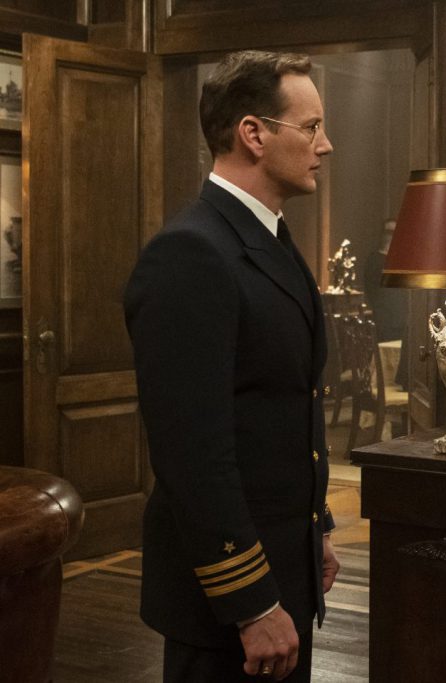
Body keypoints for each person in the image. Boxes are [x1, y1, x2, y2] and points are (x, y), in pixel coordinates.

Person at [124, 50, 338, 682]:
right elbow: (193, 455)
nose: (325, 145)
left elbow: (282, 410)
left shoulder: (268, 238)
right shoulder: (191, 253)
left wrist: (317, 529)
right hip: (228, 600)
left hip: (284, 568)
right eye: (311, 127)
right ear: (253, 134)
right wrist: (251, 603)